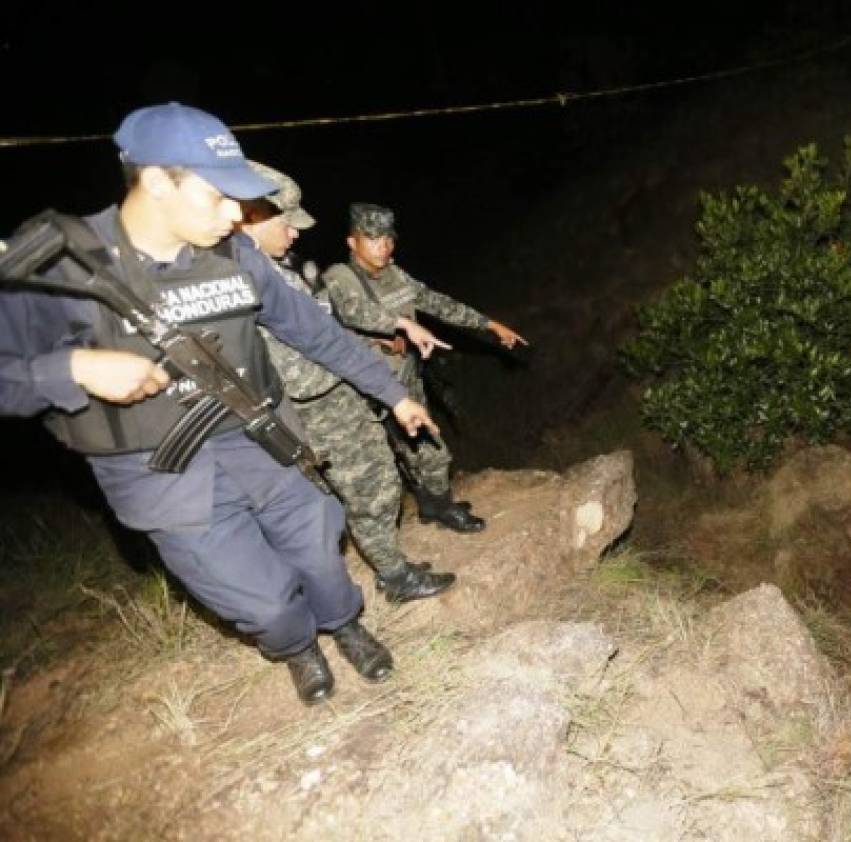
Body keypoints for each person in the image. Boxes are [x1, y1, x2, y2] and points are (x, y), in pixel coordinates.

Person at [0, 102, 438, 706]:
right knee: (260, 600)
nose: (237, 214)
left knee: (319, 548)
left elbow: (313, 331)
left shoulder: (236, 255)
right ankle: (296, 647)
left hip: (262, 438)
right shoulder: (58, 265)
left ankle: (344, 624)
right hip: (159, 473)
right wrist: (69, 367)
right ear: (157, 182)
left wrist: (390, 393)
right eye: (218, 197)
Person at [234, 160, 455, 603]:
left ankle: (390, 566)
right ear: (249, 217)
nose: (295, 233)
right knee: (368, 490)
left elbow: (326, 331)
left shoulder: (275, 269)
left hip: (334, 395)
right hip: (312, 407)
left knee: (372, 486)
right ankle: (392, 578)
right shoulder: (242, 279)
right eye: (287, 223)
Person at [321, 203, 528, 533]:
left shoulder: (395, 274)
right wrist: (395, 328)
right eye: (373, 239)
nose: (383, 247)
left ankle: (432, 504)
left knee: (419, 446)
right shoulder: (338, 278)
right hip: (368, 391)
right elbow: (349, 315)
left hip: (405, 377)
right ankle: (442, 508)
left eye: (388, 239)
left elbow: (436, 302)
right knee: (426, 449)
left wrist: (488, 324)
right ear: (352, 243)